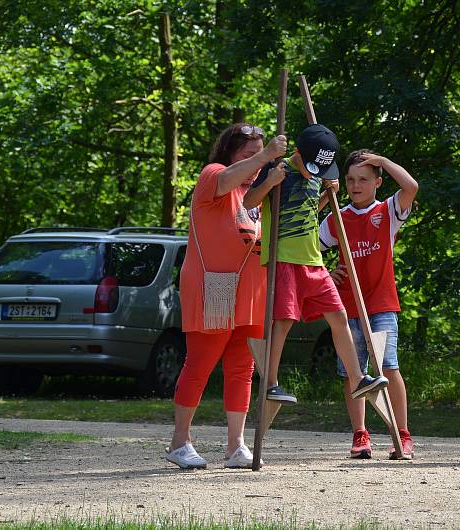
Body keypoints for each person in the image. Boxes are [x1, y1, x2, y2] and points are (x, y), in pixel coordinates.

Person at [166, 123, 286, 469]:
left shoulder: (260, 191)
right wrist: (265, 156)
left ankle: (236, 445)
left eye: (259, 155)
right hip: (214, 287)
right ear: (231, 154)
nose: (257, 163)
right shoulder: (213, 174)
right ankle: (179, 441)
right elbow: (223, 182)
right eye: (248, 155)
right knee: (200, 363)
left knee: (241, 367)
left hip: (250, 290)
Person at [243, 124, 389, 406]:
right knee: (284, 320)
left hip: (313, 260)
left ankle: (359, 378)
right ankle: (271, 382)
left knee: (338, 316)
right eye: (310, 166)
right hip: (284, 257)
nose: (314, 173)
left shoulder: (317, 175)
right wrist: (270, 182)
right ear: (298, 153)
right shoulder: (278, 169)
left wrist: (327, 195)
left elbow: (308, 211)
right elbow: (248, 202)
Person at [318, 150, 418, 459]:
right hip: (346, 307)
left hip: (381, 304)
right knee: (353, 371)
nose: (356, 185)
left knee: (388, 366)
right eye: (350, 180)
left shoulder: (388, 211)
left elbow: (411, 188)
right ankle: (360, 435)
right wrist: (326, 274)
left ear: (377, 182)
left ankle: (402, 433)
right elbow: (307, 245)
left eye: (363, 179)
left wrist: (385, 162)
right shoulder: (337, 217)